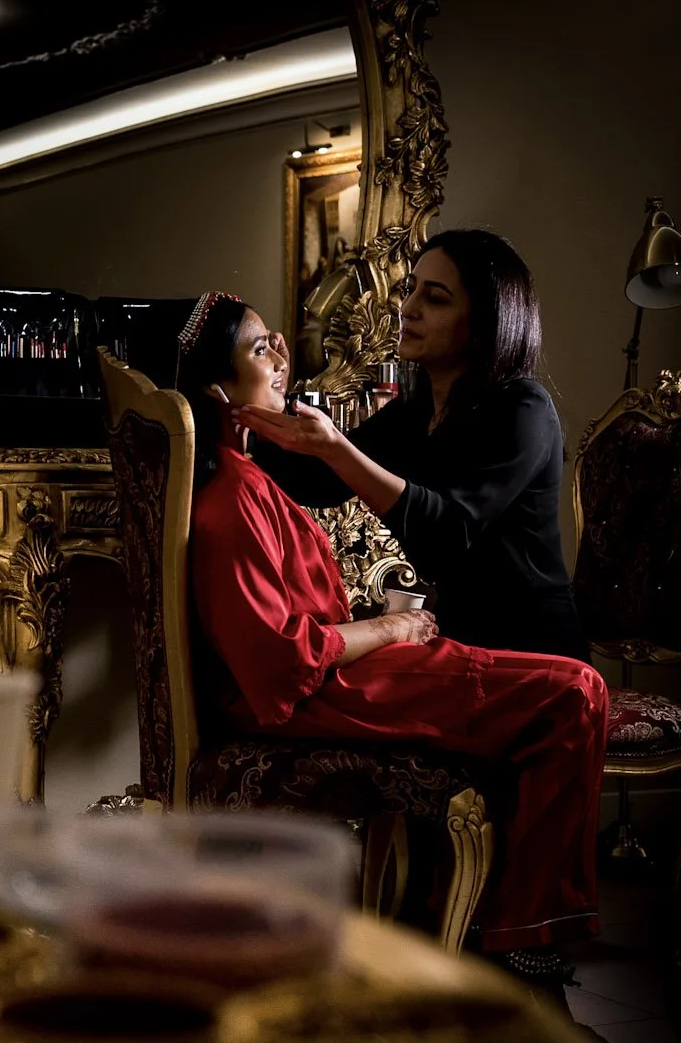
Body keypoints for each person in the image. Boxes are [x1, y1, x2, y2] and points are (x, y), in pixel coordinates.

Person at [178, 290, 608, 987]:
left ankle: (475, 916)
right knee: (576, 690)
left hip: (341, 673)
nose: (282, 356)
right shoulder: (231, 500)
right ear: (217, 391)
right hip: (319, 690)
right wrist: (391, 626)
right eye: (262, 349)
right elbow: (281, 659)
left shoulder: (252, 476)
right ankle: (522, 937)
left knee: (558, 688)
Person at [238, 229, 591, 663]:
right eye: (411, 290)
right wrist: (273, 393)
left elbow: (449, 532)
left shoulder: (524, 410)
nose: (408, 308)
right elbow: (316, 481)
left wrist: (336, 449)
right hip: (463, 638)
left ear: (483, 324)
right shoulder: (416, 412)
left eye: (435, 298)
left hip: (535, 651)